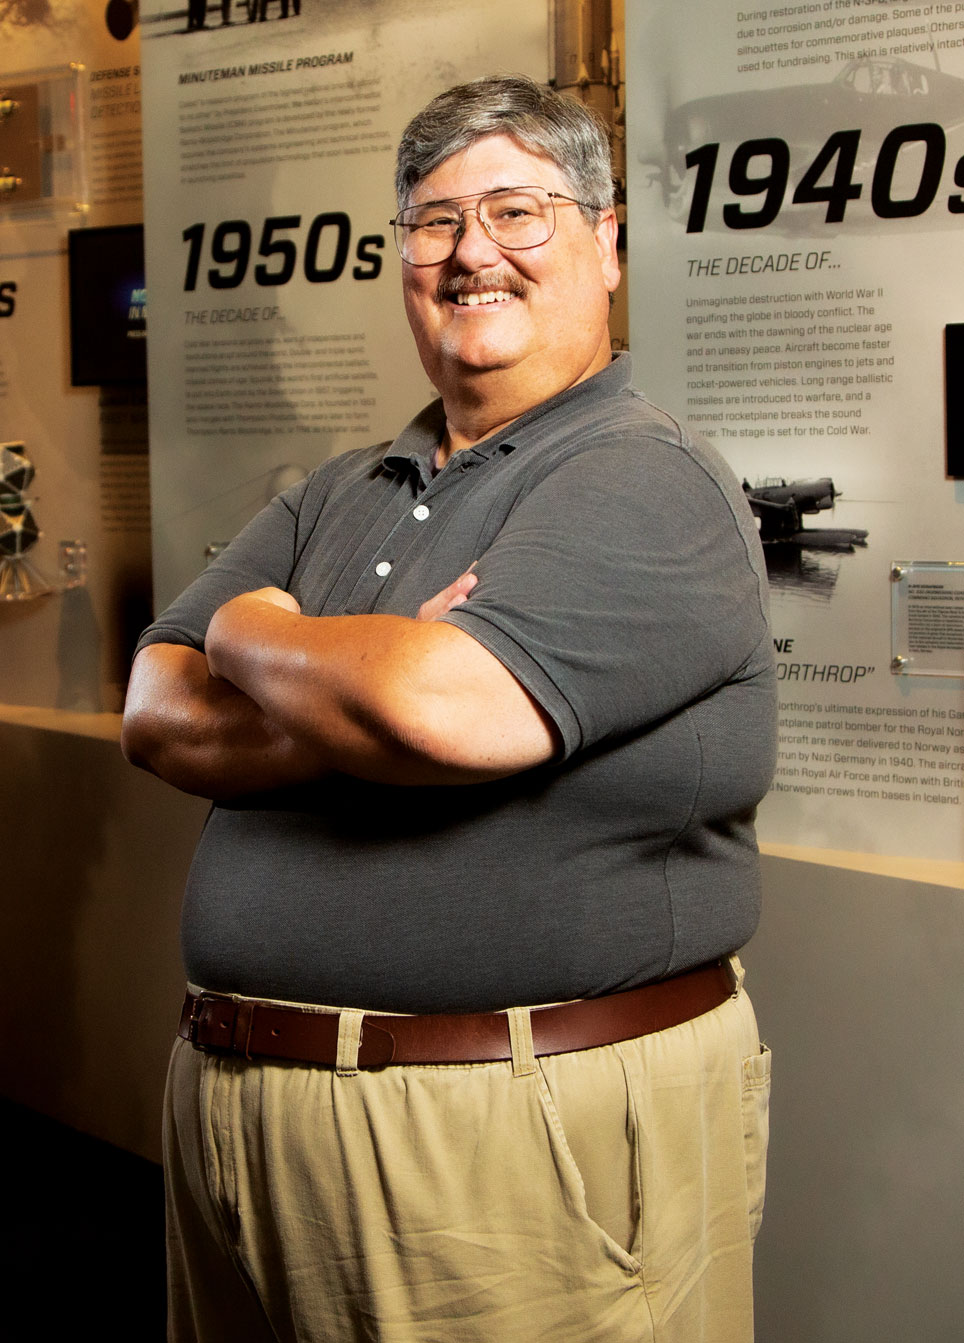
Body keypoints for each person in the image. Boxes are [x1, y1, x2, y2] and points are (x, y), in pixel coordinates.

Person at [122, 74, 776, 1343]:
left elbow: (443, 714)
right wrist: (323, 670)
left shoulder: (643, 476)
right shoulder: (343, 488)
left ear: (606, 246)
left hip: (501, 1139)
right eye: (433, 222)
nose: (471, 251)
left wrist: (254, 631)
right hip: (239, 1121)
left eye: (519, 212)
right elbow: (158, 704)